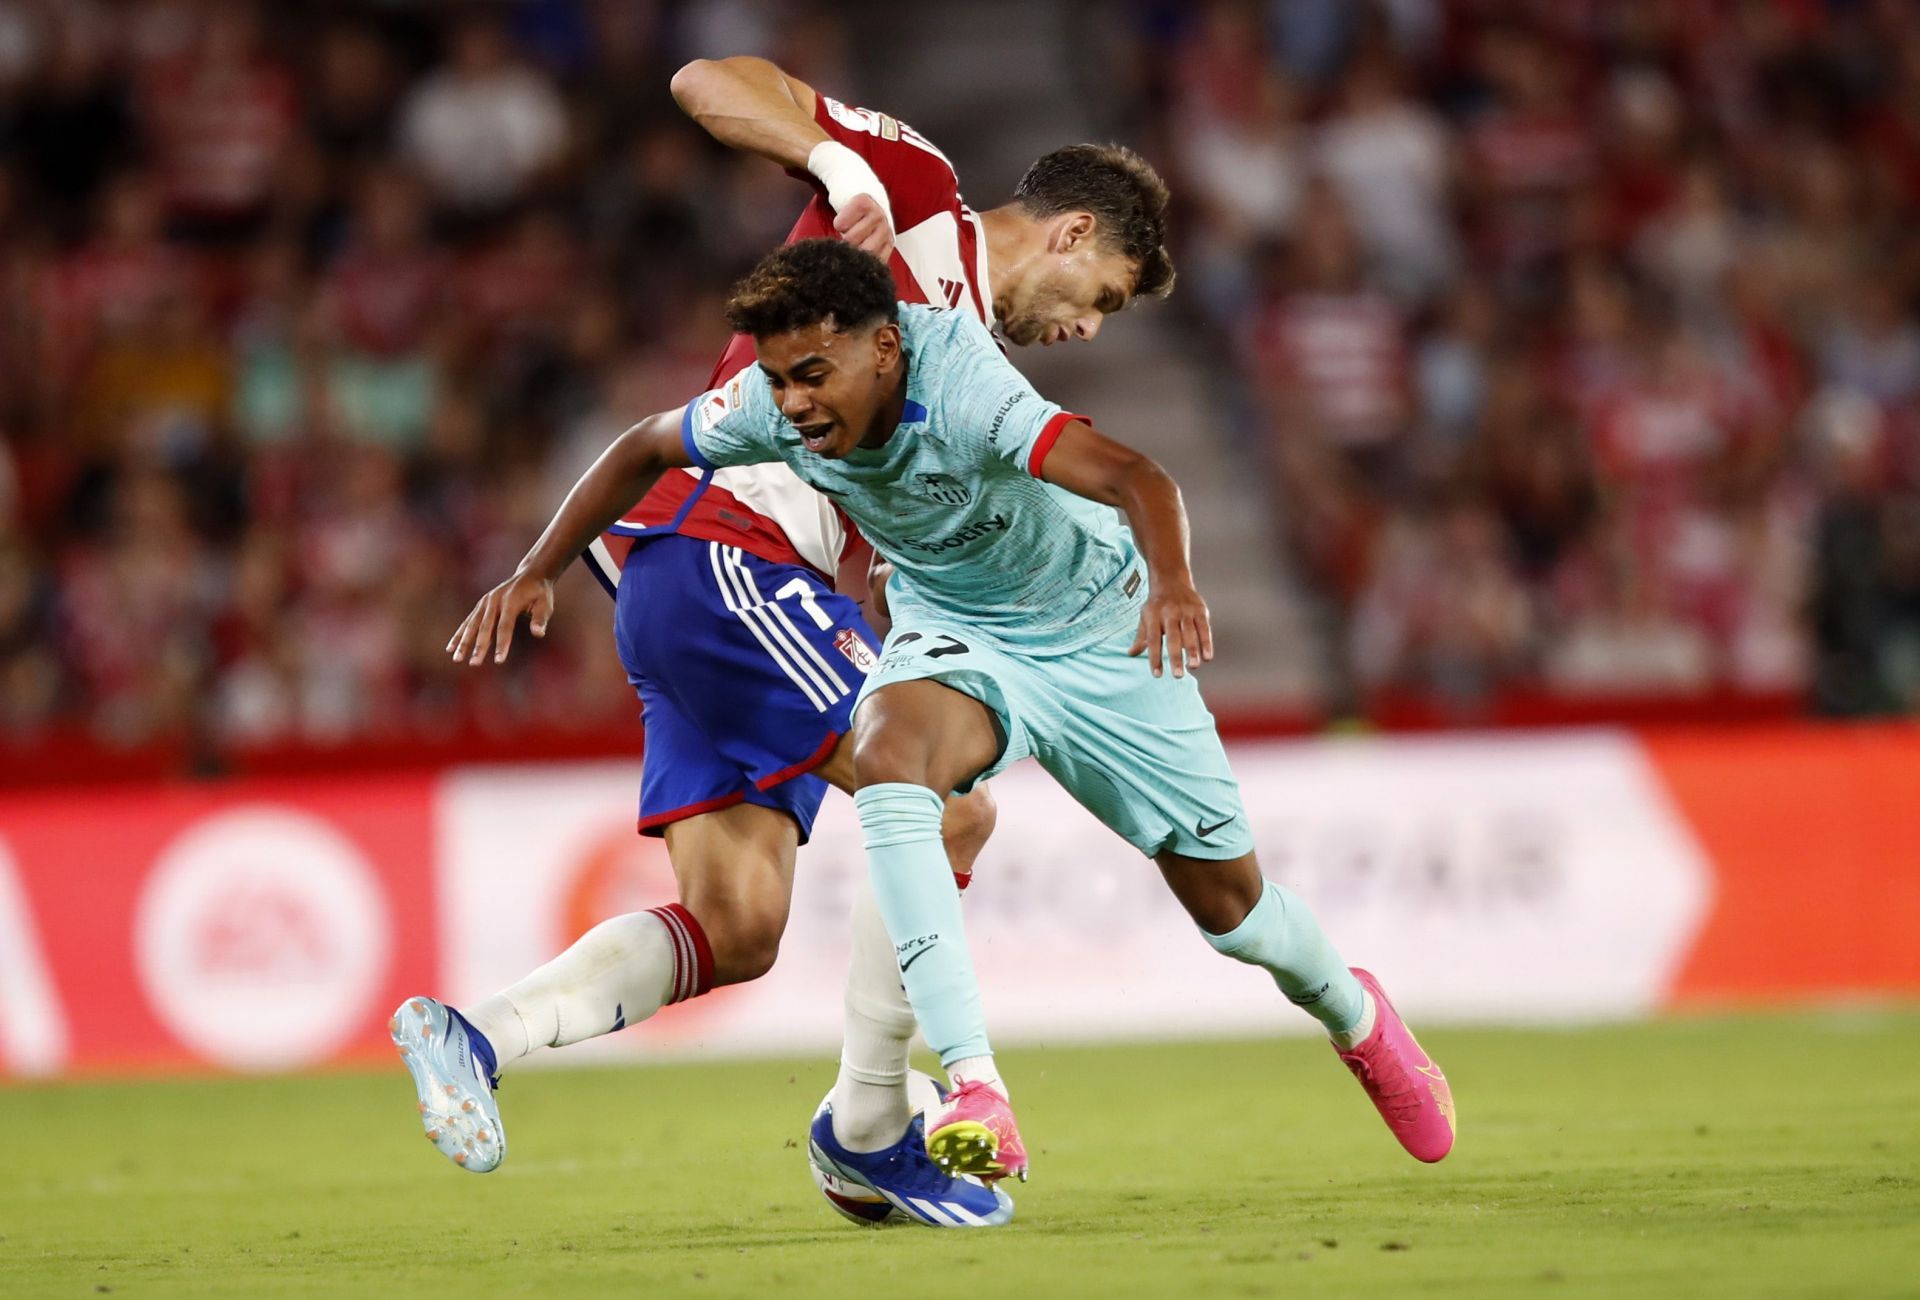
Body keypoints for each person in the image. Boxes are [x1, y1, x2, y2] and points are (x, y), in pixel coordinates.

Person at [448, 238, 1458, 1189]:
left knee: (1232, 914)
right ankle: (973, 1085)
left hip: (1099, 636)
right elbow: (641, 446)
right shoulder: (770, 402)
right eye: (781, 379)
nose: (793, 405)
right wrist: (535, 570)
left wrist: (1176, 584)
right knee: (894, 764)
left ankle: (1358, 1016)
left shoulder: (970, 394)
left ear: (885, 350)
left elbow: (1138, 476)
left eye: (814, 376)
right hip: (965, 632)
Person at [392, 57, 1174, 1227]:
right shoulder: (915, 195)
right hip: (727, 557)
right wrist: (836, 159)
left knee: (740, 924)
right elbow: (707, 79)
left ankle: (475, 1036)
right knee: (950, 802)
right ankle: (868, 1128)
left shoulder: (962, 369)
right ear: (1070, 233)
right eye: (1103, 294)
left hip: (696, 582)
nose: (1084, 327)